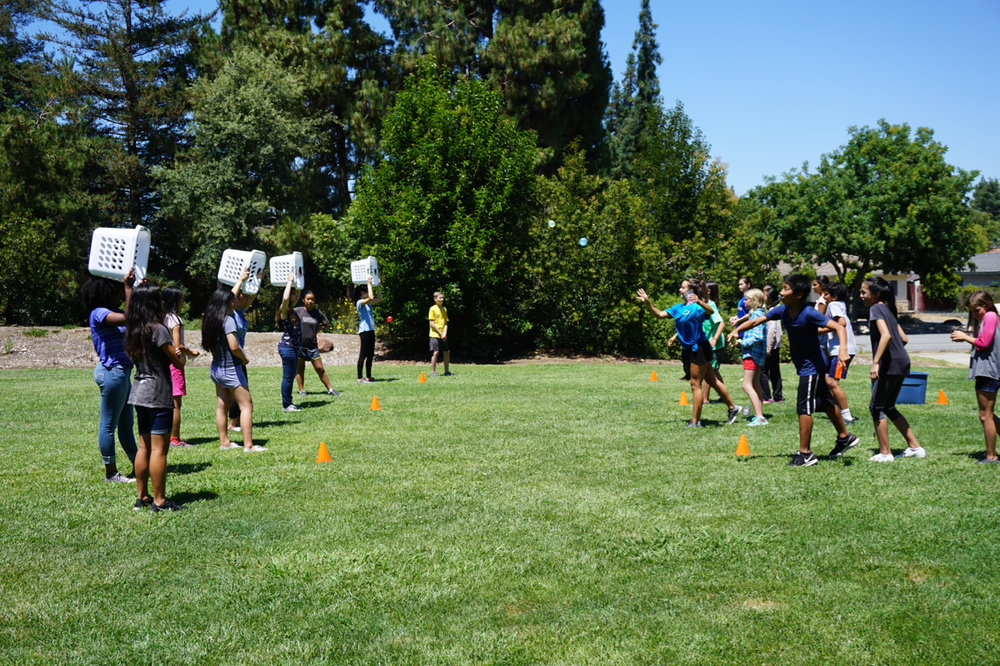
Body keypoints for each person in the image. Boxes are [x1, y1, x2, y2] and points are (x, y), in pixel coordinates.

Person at [733, 274, 859, 466]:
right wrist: (737, 329)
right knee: (825, 403)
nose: (781, 293)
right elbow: (758, 320)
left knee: (803, 408)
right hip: (805, 365)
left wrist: (842, 352)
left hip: (812, 367)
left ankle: (805, 453)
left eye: (785, 289)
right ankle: (845, 437)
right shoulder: (783, 309)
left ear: (799, 294)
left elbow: (839, 327)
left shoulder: (809, 313)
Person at [637, 279, 741, 428]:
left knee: (695, 384)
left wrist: (699, 301)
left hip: (699, 348)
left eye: (683, 287)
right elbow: (659, 314)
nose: (680, 290)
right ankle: (733, 408)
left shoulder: (698, 307)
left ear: (691, 291)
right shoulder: (678, 307)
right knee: (712, 381)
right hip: (688, 349)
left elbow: (711, 312)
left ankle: (695, 422)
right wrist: (648, 302)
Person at [125, 282, 187, 511]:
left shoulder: (134, 329)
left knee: (144, 447)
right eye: (159, 298)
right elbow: (177, 361)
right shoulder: (158, 329)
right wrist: (180, 354)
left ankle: (142, 497)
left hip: (139, 392)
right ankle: (160, 500)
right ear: (152, 302)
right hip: (158, 393)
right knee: (160, 449)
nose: (163, 302)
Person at [82, 269, 138, 483]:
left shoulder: (111, 310)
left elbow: (132, 314)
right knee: (108, 425)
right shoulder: (98, 312)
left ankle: (138, 465)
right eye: (116, 291)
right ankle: (111, 473)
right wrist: (128, 288)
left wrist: (135, 289)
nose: (119, 295)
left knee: (126, 425)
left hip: (121, 372)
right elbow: (130, 317)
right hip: (112, 371)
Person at [862, 276, 924, 462]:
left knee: (876, 406)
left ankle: (885, 453)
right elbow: (903, 339)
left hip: (890, 364)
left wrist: (876, 362)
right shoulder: (888, 310)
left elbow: (886, 335)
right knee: (888, 406)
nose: (861, 295)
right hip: (902, 361)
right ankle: (915, 447)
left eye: (864, 292)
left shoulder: (875, 309)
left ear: (876, 294)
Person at [202, 270, 265, 452]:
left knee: (222, 406)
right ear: (225, 303)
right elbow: (234, 346)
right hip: (231, 368)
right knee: (247, 406)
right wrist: (244, 359)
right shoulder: (228, 320)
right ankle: (249, 445)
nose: (234, 301)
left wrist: (245, 281)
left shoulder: (210, 320)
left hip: (216, 368)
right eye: (231, 300)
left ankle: (224, 442)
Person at [951, 290, 1000, 463]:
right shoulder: (987, 318)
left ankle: (991, 456)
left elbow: (984, 343)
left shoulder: (990, 316)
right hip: (988, 370)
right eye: (971, 310)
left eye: (976, 310)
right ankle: (991, 453)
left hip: (989, 371)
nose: (974, 313)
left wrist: (965, 337)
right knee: (988, 414)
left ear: (986, 306)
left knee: (985, 415)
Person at [162, 286, 199, 447]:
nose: (183, 301)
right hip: (175, 364)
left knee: (166, 402)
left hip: (163, 363)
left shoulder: (161, 317)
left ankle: (165, 435)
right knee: (176, 404)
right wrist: (190, 351)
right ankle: (175, 439)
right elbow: (177, 346)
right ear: (175, 301)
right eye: (181, 298)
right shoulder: (175, 320)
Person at [728, 288, 768, 425]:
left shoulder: (756, 316)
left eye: (746, 299)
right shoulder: (758, 314)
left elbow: (757, 336)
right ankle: (759, 414)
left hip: (752, 354)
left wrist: (741, 342)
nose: (744, 301)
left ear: (754, 301)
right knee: (756, 384)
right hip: (757, 354)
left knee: (746, 385)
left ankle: (760, 417)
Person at [820, 281, 857, 424]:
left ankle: (846, 416)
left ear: (834, 296)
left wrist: (820, 331)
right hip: (840, 349)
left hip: (840, 351)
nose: (824, 297)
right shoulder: (839, 304)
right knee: (829, 381)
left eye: (826, 294)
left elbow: (841, 323)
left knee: (832, 382)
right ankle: (839, 413)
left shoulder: (833, 305)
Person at [294, 289, 341, 396]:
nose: (310, 301)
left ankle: (330, 389)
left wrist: (317, 329)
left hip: (312, 346)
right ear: (303, 300)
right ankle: (302, 390)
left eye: (312, 299)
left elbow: (326, 322)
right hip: (299, 346)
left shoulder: (317, 313)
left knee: (320, 369)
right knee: (300, 369)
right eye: (308, 299)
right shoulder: (297, 311)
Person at [227, 276, 258, 432]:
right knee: (239, 393)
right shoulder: (231, 313)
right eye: (244, 295)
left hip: (239, 357)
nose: (247, 298)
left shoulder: (240, 312)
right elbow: (230, 297)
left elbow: (251, 297)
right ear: (237, 298)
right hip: (235, 357)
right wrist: (240, 280)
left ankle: (235, 422)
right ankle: (232, 424)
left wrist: (255, 281)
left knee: (239, 392)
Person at [276, 272, 303, 412]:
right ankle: (286, 405)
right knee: (287, 377)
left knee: (291, 376)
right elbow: (285, 298)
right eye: (294, 294)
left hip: (293, 348)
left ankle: (289, 402)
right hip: (287, 348)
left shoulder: (292, 309)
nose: (297, 296)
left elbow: (290, 298)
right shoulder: (284, 309)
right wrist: (289, 281)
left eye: (298, 294)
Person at [701, 281, 726, 404]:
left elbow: (721, 323)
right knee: (714, 371)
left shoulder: (711, 305)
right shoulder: (703, 304)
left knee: (708, 370)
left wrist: (714, 339)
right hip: (707, 342)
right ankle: (723, 394)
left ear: (708, 291)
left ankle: (705, 399)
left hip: (714, 344)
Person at [759, 286, 784, 404]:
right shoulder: (771, 309)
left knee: (763, 371)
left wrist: (768, 348)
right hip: (775, 346)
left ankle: (766, 396)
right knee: (775, 371)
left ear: (768, 297)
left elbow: (772, 331)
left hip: (771, 346)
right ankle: (778, 396)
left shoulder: (772, 311)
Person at [356, 277, 382, 382]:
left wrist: (378, 286)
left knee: (370, 354)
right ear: (362, 292)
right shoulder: (360, 302)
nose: (368, 293)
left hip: (371, 330)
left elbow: (379, 299)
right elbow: (371, 297)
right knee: (363, 354)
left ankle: (368, 376)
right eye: (366, 291)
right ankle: (359, 377)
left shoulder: (368, 304)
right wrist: (369, 284)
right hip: (364, 331)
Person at [428, 290, 452, 377]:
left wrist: (444, 333)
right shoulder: (432, 309)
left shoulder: (444, 309)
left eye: (443, 298)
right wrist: (440, 333)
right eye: (440, 298)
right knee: (436, 352)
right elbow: (432, 323)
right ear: (435, 299)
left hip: (443, 335)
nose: (442, 299)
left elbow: (446, 322)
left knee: (447, 352)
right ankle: (433, 372)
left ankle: (447, 371)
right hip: (435, 334)